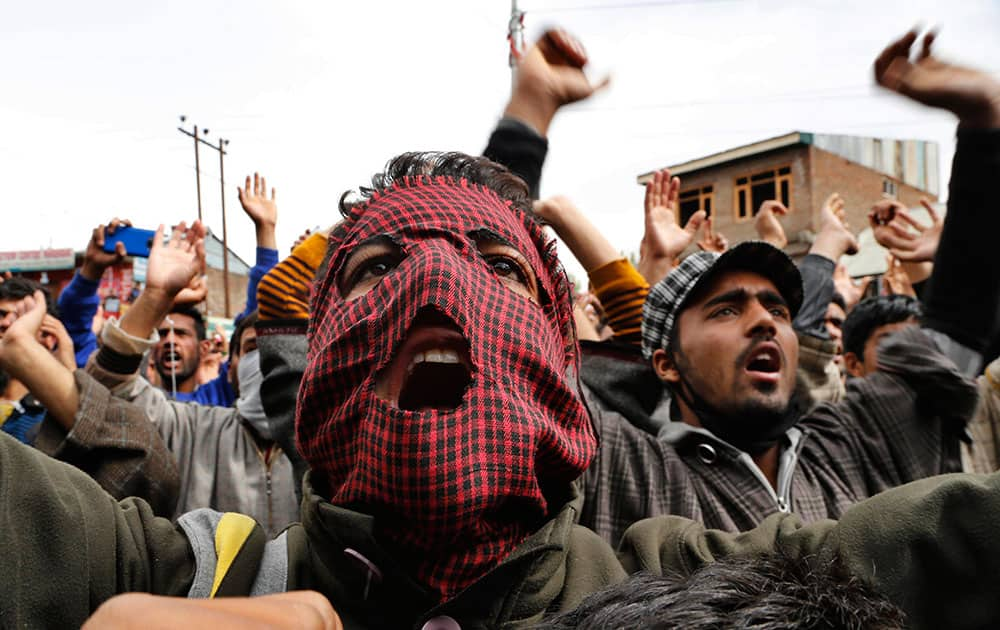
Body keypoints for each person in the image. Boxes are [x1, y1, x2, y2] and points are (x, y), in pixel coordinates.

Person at [3, 149, 1000, 630]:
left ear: (562, 361)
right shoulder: (174, 575)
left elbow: (936, 548)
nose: (437, 287)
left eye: (501, 272)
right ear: (313, 362)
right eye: (375, 270)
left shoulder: (673, 577)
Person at [35, 222, 297, 536]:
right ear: (231, 367)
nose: (267, 359)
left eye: (278, 346)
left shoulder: (323, 444)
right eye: (253, 347)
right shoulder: (192, 428)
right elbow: (111, 388)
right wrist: (157, 296)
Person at [0, 276, 76, 443]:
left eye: (20, 318)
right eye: (1, 314)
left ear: (48, 336)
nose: (5, 323)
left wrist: (69, 372)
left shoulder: (53, 414)